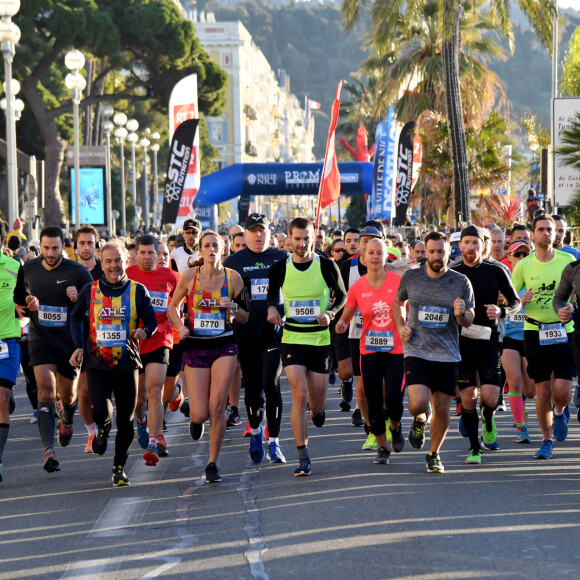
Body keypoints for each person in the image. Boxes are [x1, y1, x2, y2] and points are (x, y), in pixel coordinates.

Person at [70, 239, 157, 486]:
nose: (113, 266)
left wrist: (145, 332)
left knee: (127, 419)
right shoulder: (90, 290)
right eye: (108, 261)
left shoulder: (138, 290)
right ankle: (103, 428)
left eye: (118, 260)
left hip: (127, 364)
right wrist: (78, 345)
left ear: (126, 261)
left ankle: (119, 467)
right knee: (100, 410)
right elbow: (75, 318)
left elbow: (151, 321)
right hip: (97, 363)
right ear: (101, 261)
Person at [267, 217, 347, 476]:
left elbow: (343, 296)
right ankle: (302, 455)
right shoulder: (280, 267)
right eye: (297, 239)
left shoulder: (326, 265)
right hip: (292, 340)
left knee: (317, 404)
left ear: (314, 237)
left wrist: (331, 313)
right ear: (289, 239)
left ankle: (317, 411)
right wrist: (271, 309)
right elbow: (271, 294)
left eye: (307, 239)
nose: (302, 244)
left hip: (320, 343)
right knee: (298, 395)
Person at [168, 230, 248, 483]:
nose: (211, 249)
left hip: (224, 346)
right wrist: (180, 325)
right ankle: (195, 419)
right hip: (196, 347)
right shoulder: (190, 277)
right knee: (200, 413)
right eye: (207, 246)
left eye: (216, 245)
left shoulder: (233, 279)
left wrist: (234, 307)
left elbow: (246, 316)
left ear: (222, 249)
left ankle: (213, 462)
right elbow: (172, 306)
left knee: (216, 407)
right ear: (199, 251)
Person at [394, 231, 475, 473]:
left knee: (442, 408)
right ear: (425, 253)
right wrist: (401, 326)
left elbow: (469, 320)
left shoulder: (461, 282)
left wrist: (461, 313)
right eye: (431, 252)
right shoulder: (411, 277)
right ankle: (420, 419)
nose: (436, 256)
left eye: (441, 251)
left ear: (449, 251)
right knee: (417, 404)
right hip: (416, 349)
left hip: (447, 353)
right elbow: (397, 304)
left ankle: (434, 454)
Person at [23, 226, 93, 472]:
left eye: (55, 248)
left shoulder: (79, 271)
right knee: (45, 390)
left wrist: (78, 299)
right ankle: (48, 452)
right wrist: (26, 302)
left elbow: (94, 306)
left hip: (69, 342)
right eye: (45, 248)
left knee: (68, 395)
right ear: (39, 247)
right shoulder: (29, 268)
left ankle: (67, 416)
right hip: (40, 337)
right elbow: (18, 298)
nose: (50, 253)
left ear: (63, 247)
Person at [451, 225, 520, 463]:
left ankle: (488, 418)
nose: (471, 247)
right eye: (466, 242)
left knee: (490, 397)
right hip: (461, 344)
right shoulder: (453, 272)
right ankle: (475, 449)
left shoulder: (496, 270)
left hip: (489, 342)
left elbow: (516, 302)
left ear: (484, 244)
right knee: (468, 397)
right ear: (460, 246)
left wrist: (501, 311)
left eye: (475, 242)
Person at [224, 213, 288, 464]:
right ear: (245, 235)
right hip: (247, 334)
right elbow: (223, 293)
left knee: (271, 384)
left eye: (263, 230)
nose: (258, 235)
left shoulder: (281, 257)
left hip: (274, 334)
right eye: (253, 231)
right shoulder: (234, 261)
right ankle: (255, 430)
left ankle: (274, 442)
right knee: (252, 390)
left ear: (269, 233)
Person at [335, 238, 405, 465]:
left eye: (379, 253)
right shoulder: (357, 287)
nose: (375, 257)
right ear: (363, 258)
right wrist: (341, 325)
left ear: (386, 257)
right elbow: (345, 317)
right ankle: (382, 447)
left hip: (396, 351)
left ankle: (395, 425)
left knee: (394, 400)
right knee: (373, 401)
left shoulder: (399, 282)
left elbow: (412, 308)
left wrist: (408, 326)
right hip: (369, 352)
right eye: (370, 253)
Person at [512, 214, 575, 459]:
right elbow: (507, 299)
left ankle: (559, 411)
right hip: (534, 331)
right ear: (533, 234)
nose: (547, 233)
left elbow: (577, 295)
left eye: (550, 229)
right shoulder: (523, 265)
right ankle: (546, 440)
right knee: (543, 392)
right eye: (541, 229)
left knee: (562, 390)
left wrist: (572, 308)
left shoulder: (567, 261)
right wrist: (519, 300)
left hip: (563, 331)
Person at [127, 234, 180, 465]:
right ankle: (141, 420)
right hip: (134, 343)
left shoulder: (171, 277)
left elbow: (180, 306)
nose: (148, 257)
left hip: (160, 340)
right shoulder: (126, 276)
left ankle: (154, 440)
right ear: (136, 254)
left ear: (159, 255)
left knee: (154, 390)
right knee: (138, 399)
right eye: (143, 252)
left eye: (152, 253)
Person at [0, 222, 30, 482]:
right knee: (3, 402)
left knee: (0, 400)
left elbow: (24, 305)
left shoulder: (13, 267)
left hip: (6, 342)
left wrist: (27, 307)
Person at [73, 225, 105, 452]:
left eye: (90, 243)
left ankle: (108, 423)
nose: (86, 247)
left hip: (108, 339)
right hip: (81, 339)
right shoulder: (67, 273)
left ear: (97, 246)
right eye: (82, 243)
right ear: (75, 247)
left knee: (104, 393)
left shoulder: (107, 271)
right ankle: (92, 432)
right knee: (82, 392)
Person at [502, 240, 535, 444]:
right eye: (518, 255)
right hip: (508, 338)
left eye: (526, 254)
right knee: (514, 381)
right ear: (510, 257)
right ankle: (521, 428)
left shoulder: (534, 279)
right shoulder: (504, 280)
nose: (522, 258)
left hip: (530, 337)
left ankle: (522, 410)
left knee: (530, 391)